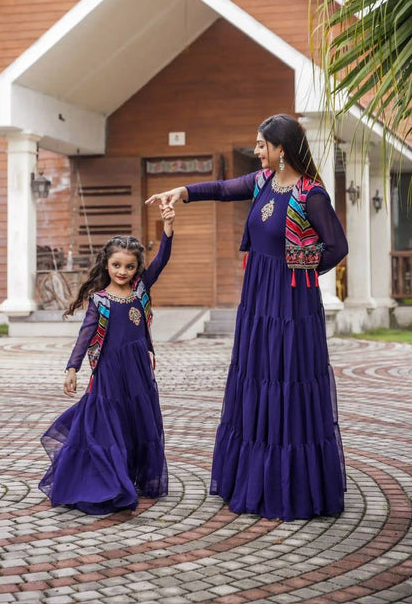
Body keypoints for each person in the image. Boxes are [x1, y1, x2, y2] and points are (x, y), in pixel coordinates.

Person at [146, 114, 347, 521]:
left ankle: (292, 486)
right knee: (257, 378)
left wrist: (299, 260)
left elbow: (337, 247)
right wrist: (181, 191)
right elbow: (221, 189)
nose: (256, 152)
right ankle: (252, 479)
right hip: (257, 302)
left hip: (292, 308)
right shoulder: (262, 184)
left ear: (282, 150)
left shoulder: (312, 195)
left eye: (261, 145)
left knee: (287, 381)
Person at [38, 204, 175, 515]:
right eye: (116, 265)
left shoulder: (140, 289)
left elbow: (162, 260)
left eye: (129, 267)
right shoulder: (100, 301)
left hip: (138, 370)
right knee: (108, 424)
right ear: (107, 265)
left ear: (137, 268)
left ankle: (130, 472)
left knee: (136, 421)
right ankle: (109, 480)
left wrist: (167, 228)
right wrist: (72, 368)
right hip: (110, 372)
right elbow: (85, 336)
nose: (122, 272)